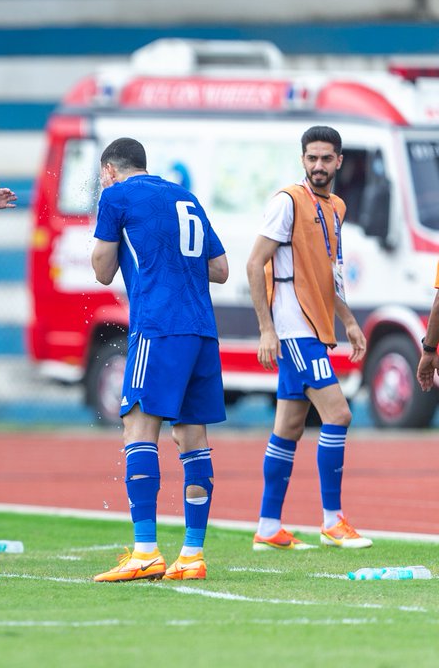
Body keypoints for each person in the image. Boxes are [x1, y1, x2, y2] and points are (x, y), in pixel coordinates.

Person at [89, 137, 229, 582]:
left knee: (138, 426)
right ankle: (192, 555)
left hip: (157, 325)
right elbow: (220, 269)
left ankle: (146, 550)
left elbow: (101, 269)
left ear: (110, 170)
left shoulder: (115, 196)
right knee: (192, 436)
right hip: (201, 329)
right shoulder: (184, 195)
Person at [248, 125, 371, 551]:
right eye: (311, 158)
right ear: (303, 160)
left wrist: (349, 322)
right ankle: (332, 521)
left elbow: (328, 276)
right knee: (338, 415)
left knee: (289, 425)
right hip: (294, 329)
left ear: (339, 161)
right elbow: (253, 264)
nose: (318, 166)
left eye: (326, 158)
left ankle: (267, 526)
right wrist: (267, 329)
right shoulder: (287, 202)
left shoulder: (335, 206)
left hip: (316, 327)